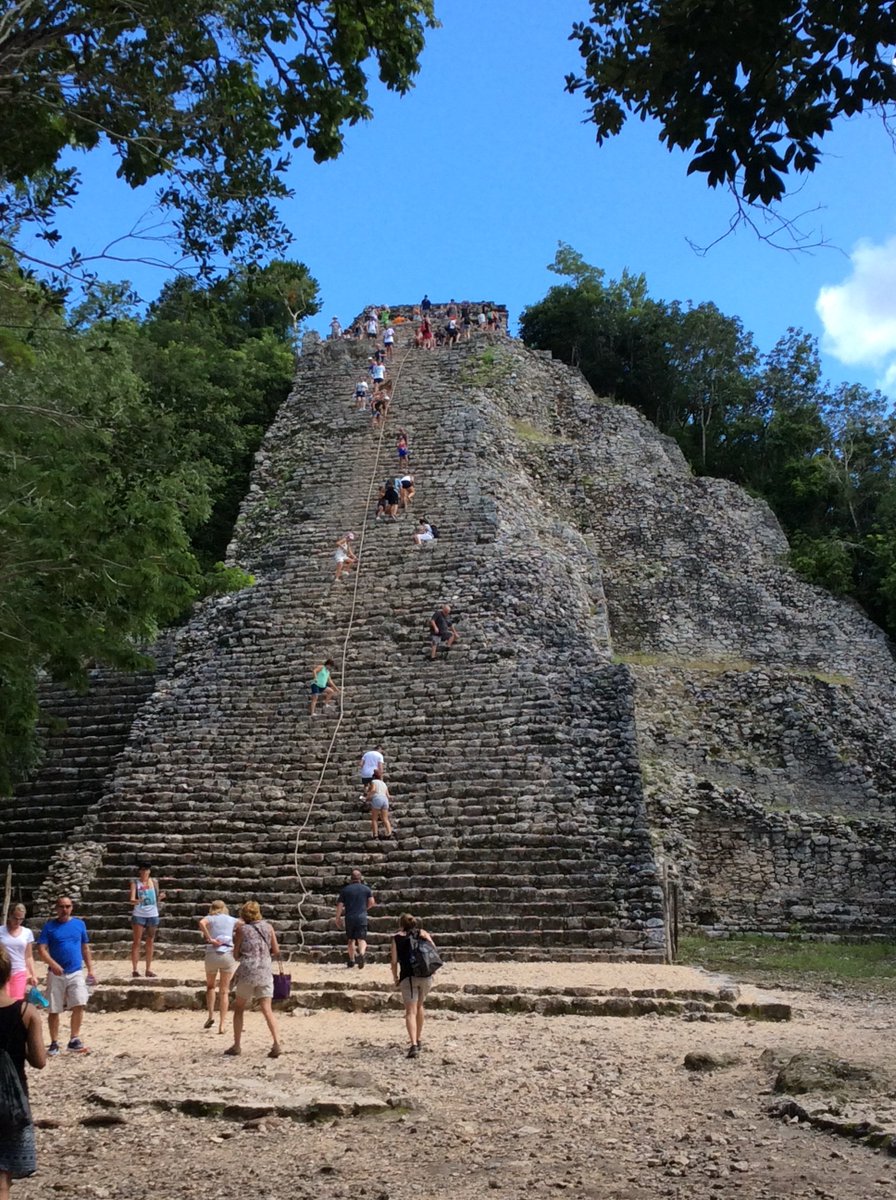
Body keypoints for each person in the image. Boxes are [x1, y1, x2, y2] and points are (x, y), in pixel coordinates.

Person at [0, 944, 46, 1198]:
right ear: (9, 975)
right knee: (2, 1177)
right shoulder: (26, 1012)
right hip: (12, 1101)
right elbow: (39, 1060)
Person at [36, 895, 96, 1056]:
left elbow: (85, 947)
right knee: (54, 1008)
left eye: (68, 906)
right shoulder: (50, 927)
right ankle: (54, 1042)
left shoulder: (79, 924)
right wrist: (53, 964)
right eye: (62, 906)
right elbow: (41, 949)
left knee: (79, 1003)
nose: (65, 910)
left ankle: (74, 1038)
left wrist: (90, 969)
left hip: (75, 970)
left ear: (72, 907)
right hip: (56, 973)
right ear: (57, 908)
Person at [225, 901, 282, 1059]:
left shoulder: (242, 930)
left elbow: (235, 955)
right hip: (265, 970)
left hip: (248, 971)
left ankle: (237, 1045)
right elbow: (276, 950)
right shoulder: (268, 927)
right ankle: (276, 1042)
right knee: (267, 1009)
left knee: (239, 1007)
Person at [390, 914, 437, 1059]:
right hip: (425, 976)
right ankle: (419, 1038)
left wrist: (395, 977)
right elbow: (434, 951)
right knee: (419, 1006)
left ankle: (413, 1044)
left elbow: (393, 961)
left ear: (400, 923)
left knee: (410, 1011)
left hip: (408, 977)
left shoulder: (397, 938)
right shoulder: (423, 934)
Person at [198, 900, 238, 1034]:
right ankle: (222, 1024)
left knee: (210, 986)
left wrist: (210, 939)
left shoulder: (211, 918)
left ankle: (210, 1015)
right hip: (227, 954)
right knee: (224, 991)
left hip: (212, 954)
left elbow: (201, 923)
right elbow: (243, 925)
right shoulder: (231, 919)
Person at [335, 869, 376, 969]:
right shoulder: (366, 889)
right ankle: (361, 954)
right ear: (360, 878)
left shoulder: (345, 890)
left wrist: (337, 918)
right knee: (361, 939)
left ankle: (352, 960)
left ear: (351, 879)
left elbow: (340, 905)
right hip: (361, 917)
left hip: (349, 917)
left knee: (351, 940)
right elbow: (372, 902)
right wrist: (364, 908)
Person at [129, 862, 164, 978]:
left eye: (146, 870)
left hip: (152, 914)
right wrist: (139, 901)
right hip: (139, 913)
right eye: (142, 870)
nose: (144, 872)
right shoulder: (135, 883)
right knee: (137, 941)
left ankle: (148, 969)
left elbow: (155, 898)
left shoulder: (154, 882)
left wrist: (161, 897)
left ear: (149, 871)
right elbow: (132, 899)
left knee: (150, 941)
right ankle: (135, 969)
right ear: (140, 871)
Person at [0, 907, 36, 1002]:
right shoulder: (1, 931)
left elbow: (28, 956)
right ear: (10, 916)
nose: (18, 921)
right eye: (15, 918)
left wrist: (33, 974)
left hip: (19, 971)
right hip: (3, 971)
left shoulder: (27, 932)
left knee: (17, 1002)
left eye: (21, 919)